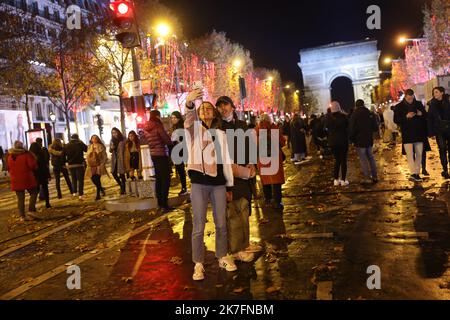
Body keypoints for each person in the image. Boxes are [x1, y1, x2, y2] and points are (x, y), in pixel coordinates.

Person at [184, 89, 237, 281]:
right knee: (198, 225)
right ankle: (198, 263)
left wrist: (229, 186)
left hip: (218, 184)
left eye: (209, 108)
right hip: (199, 182)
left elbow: (226, 161)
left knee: (221, 223)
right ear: (198, 113)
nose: (206, 110)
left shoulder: (221, 133)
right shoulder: (193, 130)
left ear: (214, 113)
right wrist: (190, 104)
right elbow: (188, 118)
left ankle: (222, 256)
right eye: (202, 108)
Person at [216, 95, 258, 262]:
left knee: (245, 210)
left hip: (245, 175)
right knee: (232, 213)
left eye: (225, 105)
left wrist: (252, 163)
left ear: (232, 106)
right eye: (219, 106)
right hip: (229, 175)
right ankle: (235, 249)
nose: (222, 108)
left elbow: (251, 147)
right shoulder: (218, 127)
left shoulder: (242, 125)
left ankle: (245, 244)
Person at [394, 89, 428, 182]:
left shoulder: (418, 104)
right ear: (405, 97)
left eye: (412, 98)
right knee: (410, 154)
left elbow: (425, 115)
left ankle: (416, 173)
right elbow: (396, 120)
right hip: (407, 133)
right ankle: (413, 173)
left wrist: (421, 114)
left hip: (419, 132)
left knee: (419, 153)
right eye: (408, 98)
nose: (410, 100)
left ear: (413, 96)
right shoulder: (399, 106)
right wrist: (406, 116)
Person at [143, 110, 173, 211]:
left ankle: (160, 204)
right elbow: (165, 139)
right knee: (165, 180)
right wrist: (170, 140)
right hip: (161, 154)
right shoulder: (157, 125)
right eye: (159, 116)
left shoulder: (146, 127)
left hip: (153, 155)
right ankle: (165, 204)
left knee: (159, 179)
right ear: (157, 116)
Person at [256, 113, 286, 209]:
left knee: (266, 180)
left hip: (263, 159)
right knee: (276, 181)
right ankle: (277, 201)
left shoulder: (257, 130)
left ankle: (268, 200)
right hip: (275, 159)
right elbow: (282, 142)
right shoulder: (274, 128)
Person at [7, 141, 39, 221]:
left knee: (20, 198)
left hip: (15, 179)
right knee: (34, 192)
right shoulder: (26, 154)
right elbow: (32, 166)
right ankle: (31, 210)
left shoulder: (10, 156)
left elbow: (9, 167)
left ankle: (22, 216)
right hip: (26, 178)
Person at [349, 99, 379, 184]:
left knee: (363, 159)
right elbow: (375, 128)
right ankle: (375, 177)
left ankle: (367, 178)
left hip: (359, 141)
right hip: (369, 139)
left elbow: (351, 129)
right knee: (371, 158)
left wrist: (351, 139)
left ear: (356, 105)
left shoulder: (354, 115)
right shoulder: (370, 113)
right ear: (364, 104)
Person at [427, 87, 450, 179]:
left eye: (436, 92)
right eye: (434, 93)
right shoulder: (432, 104)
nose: (434, 94)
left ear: (442, 93)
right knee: (442, 149)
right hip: (439, 131)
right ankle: (445, 170)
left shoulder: (448, 101)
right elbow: (430, 119)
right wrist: (431, 133)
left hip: (449, 129)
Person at [326, 101, 349, 186]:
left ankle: (335, 180)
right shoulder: (344, 117)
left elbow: (326, 128)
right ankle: (343, 180)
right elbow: (348, 127)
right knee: (343, 161)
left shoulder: (328, 118)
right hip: (343, 141)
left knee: (337, 160)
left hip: (333, 142)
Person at [169, 111, 188, 196]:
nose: (173, 119)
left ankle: (184, 188)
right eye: (172, 118)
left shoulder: (181, 127)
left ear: (178, 118)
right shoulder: (174, 127)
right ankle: (184, 187)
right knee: (180, 170)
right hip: (177, 151)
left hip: (181, 150)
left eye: (174, 118)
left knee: (181, 170)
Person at [65, 134, 88, 199]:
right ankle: (81, 193)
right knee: (80, 179)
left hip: (71, 164)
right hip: (79, 164)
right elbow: (86, 149)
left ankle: (74, 192)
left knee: (73, 179)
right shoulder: (80, 144)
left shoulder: (67, 145)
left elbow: (63, 154)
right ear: (77, 138)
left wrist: (65, 162)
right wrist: (81, 142)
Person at [29, 141, 51, 208]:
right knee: (45, 189)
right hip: (42, 174)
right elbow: (44, 165)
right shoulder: (41, 154)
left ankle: (33, 205)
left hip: (35, 175)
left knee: (35, 190)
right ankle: (47, 203)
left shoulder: (30, 155)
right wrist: (48, 175)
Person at [86, 135, 108, 201]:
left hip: (99, 165)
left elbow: (104, 156)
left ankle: (98, 194)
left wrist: (102, 164)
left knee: (97, 179)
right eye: (93, 138)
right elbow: (87, 156)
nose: (94, 139)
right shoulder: (90, 146)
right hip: (91, 166)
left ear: (98, 139)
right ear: (91, 139)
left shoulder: (101, 146)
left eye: (95, 138)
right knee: (93, 179)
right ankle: (101, 189)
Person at [110, 127, 126, 195]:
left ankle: (124, 188)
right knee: (114, 173)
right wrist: (111, 148)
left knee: (122, 174)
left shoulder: (123, 140)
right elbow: (110, 150)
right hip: (115, 159)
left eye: (115, 132)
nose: (114, 134)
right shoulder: (112, 140)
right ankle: (121, 185)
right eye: (113, 133)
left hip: (122, 158)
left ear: (118, 132)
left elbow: (125, 149)